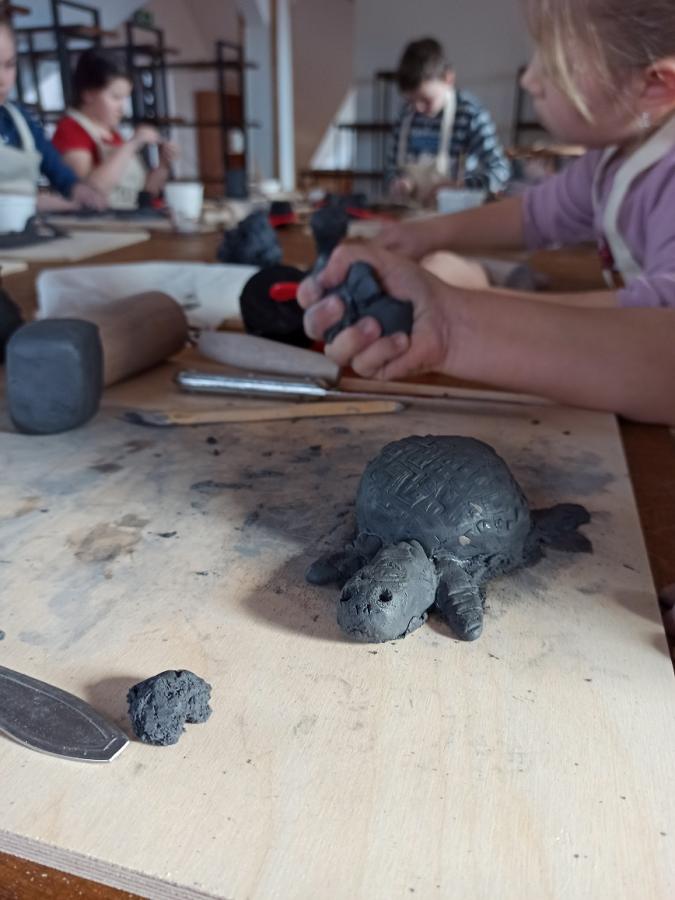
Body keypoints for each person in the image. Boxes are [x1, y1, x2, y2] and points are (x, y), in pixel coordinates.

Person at [299, 0, 675, 427]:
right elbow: (534, 214)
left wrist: (457, 319)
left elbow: (661, 340)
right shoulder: (610, 158)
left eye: (556, 63)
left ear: (655, 86)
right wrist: (425, 235)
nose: (530, 79)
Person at [385, 37, 511, 205]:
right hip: (411, 212)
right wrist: (398, 183)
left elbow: (501, 171)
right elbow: (391, 168)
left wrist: (461, 187)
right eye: (411, 101)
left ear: (448, 79)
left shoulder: (470, 114)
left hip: (456, 213)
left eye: (426, 100)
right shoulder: (405, 115)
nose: (418, 108)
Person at [53, 49, 179, 210]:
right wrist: (132, 144)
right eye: (115, 97)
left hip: (129, 219)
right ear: (88, 94)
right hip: (101, 223)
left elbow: (145, 192)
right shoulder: (70, 130)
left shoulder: (113, 134)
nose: (122, 108)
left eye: (125, 98)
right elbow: (88, 193)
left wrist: (163, 165)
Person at [0, 16, 103, 211]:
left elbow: (59, 171)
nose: (2, 79)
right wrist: (32, 203)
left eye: (9, 65)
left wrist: (80, 191)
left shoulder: (20, 120)